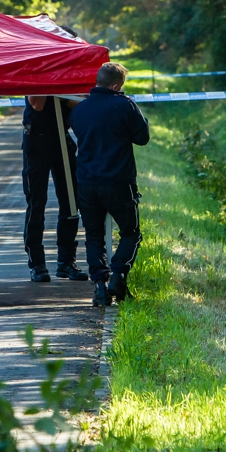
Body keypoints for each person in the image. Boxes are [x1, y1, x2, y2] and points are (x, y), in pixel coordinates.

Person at [69, 62, 150, 307]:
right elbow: (142, 138)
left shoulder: (79, 110)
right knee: (131, 233)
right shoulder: (125, 106)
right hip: (119, 181)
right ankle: (119, 276)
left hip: (87, 182)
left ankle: (99, 287)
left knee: (93, 235)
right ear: (116, 86)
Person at [22, 96, 87, 283]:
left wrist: (64, 93)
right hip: (36, 140)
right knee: (36, 202)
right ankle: (37, 263)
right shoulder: (35, 71)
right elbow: (37, 104)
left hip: (62, 139)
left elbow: (80, 103)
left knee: (72, 202)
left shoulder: (66, 73)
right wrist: (53, 88)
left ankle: (67, 261)